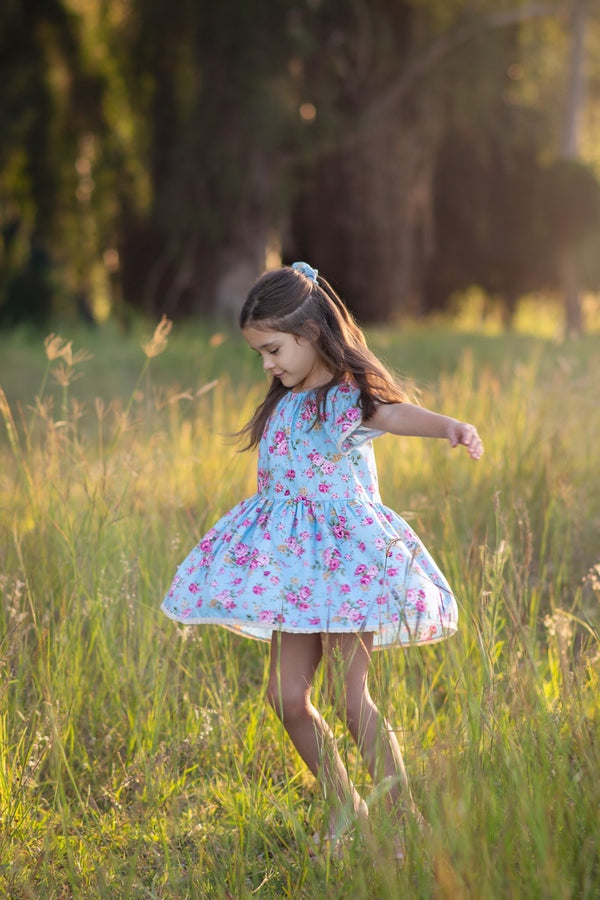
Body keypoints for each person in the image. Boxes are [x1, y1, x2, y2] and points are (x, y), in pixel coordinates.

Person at [161, 261, 483, 860]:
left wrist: (450, 427)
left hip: (346, 566)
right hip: (293, 575)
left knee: (349, 696)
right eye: (259, 353)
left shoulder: (343, 399)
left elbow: (390, 413)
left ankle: (398, 816)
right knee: (286, 699)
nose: (267, 365)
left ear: (310, 334)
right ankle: (344, 805)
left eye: (274, 349)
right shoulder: (284, 401)